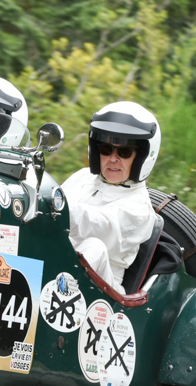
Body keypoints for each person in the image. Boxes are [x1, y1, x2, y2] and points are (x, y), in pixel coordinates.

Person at [61, 101, 160, 288]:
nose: (113, 158)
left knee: (95, 247)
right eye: (106, 149)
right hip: (54, 263)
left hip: (101, 293)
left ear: (141, 157)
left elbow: (95, 224)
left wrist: (56, 206)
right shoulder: (82, 177)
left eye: (124, 151)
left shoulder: (139, 208)